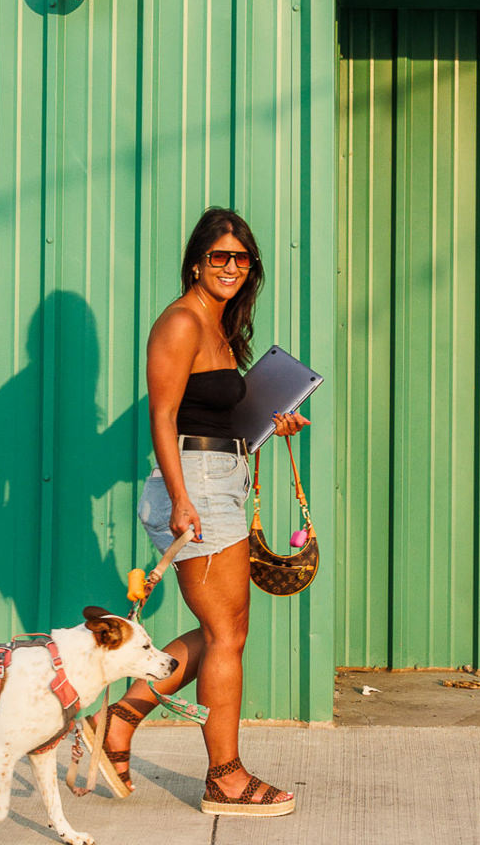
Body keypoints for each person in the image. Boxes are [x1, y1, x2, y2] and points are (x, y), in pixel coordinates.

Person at [82, 207, 309, 817]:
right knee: (226, 638)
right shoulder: (181, 323)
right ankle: (225, 779)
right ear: (195, 261)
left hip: (220, 477)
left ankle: (120, 722)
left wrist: (272, 422)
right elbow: (163, 418)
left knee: (223, 636)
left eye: (242, 258)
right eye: (219, 257)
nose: (231, 267)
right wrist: (181, 499)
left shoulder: (218, 323)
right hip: (197, 487)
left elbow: (215, 417)